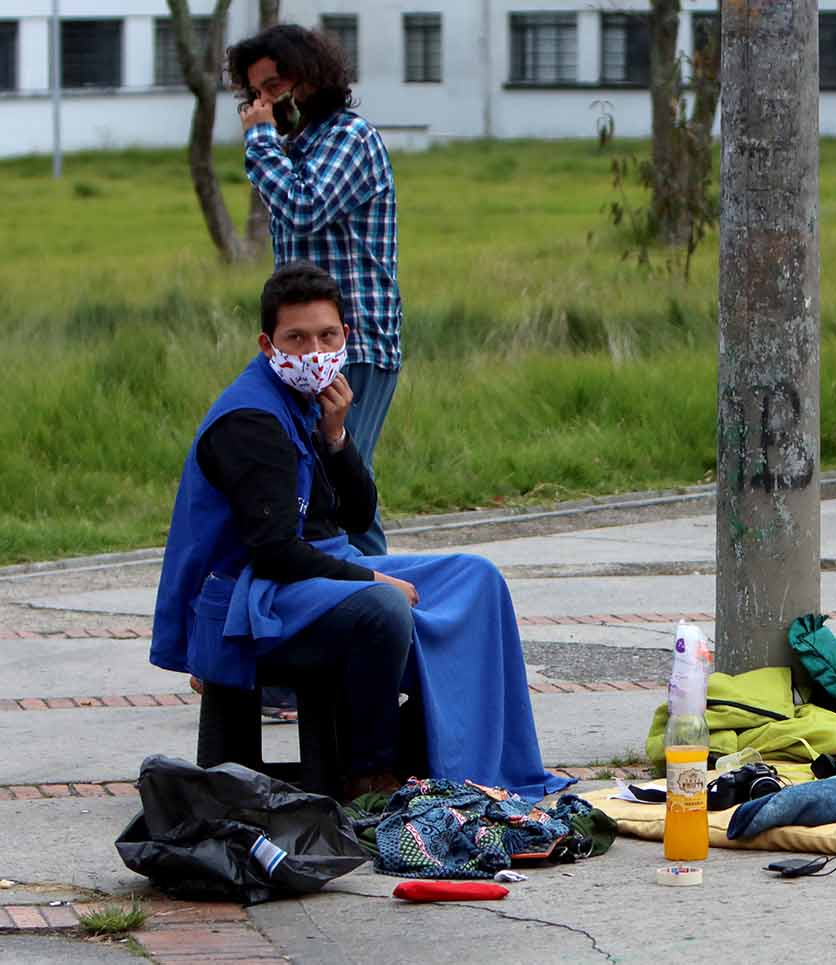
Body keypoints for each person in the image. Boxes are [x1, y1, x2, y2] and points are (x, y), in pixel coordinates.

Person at [151, 262, 569, 802]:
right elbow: (275, 552)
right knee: (383, 608)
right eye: (295, 339)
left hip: (308, 568)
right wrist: (368, 578)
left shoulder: (312, 401)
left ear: (345, 336)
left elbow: (355, 517)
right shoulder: (250, 422)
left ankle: (466, 759)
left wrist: (338, 438)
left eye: (326, 336)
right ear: (267, 344)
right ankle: (369, 771)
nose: (313, 351)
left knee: (477, 578)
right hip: (249, 593)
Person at [228, 23, 400, 557]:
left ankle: (390, 612)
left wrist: (258, 139)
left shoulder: (349, 137)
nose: (269, 100)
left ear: (311, 74)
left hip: (355, 343)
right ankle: (349, 607)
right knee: (319, 485)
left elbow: (305, 208)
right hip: (306, 347)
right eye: (258, 92)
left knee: (346, 480)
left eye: (278, 84)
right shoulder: (295, 147)